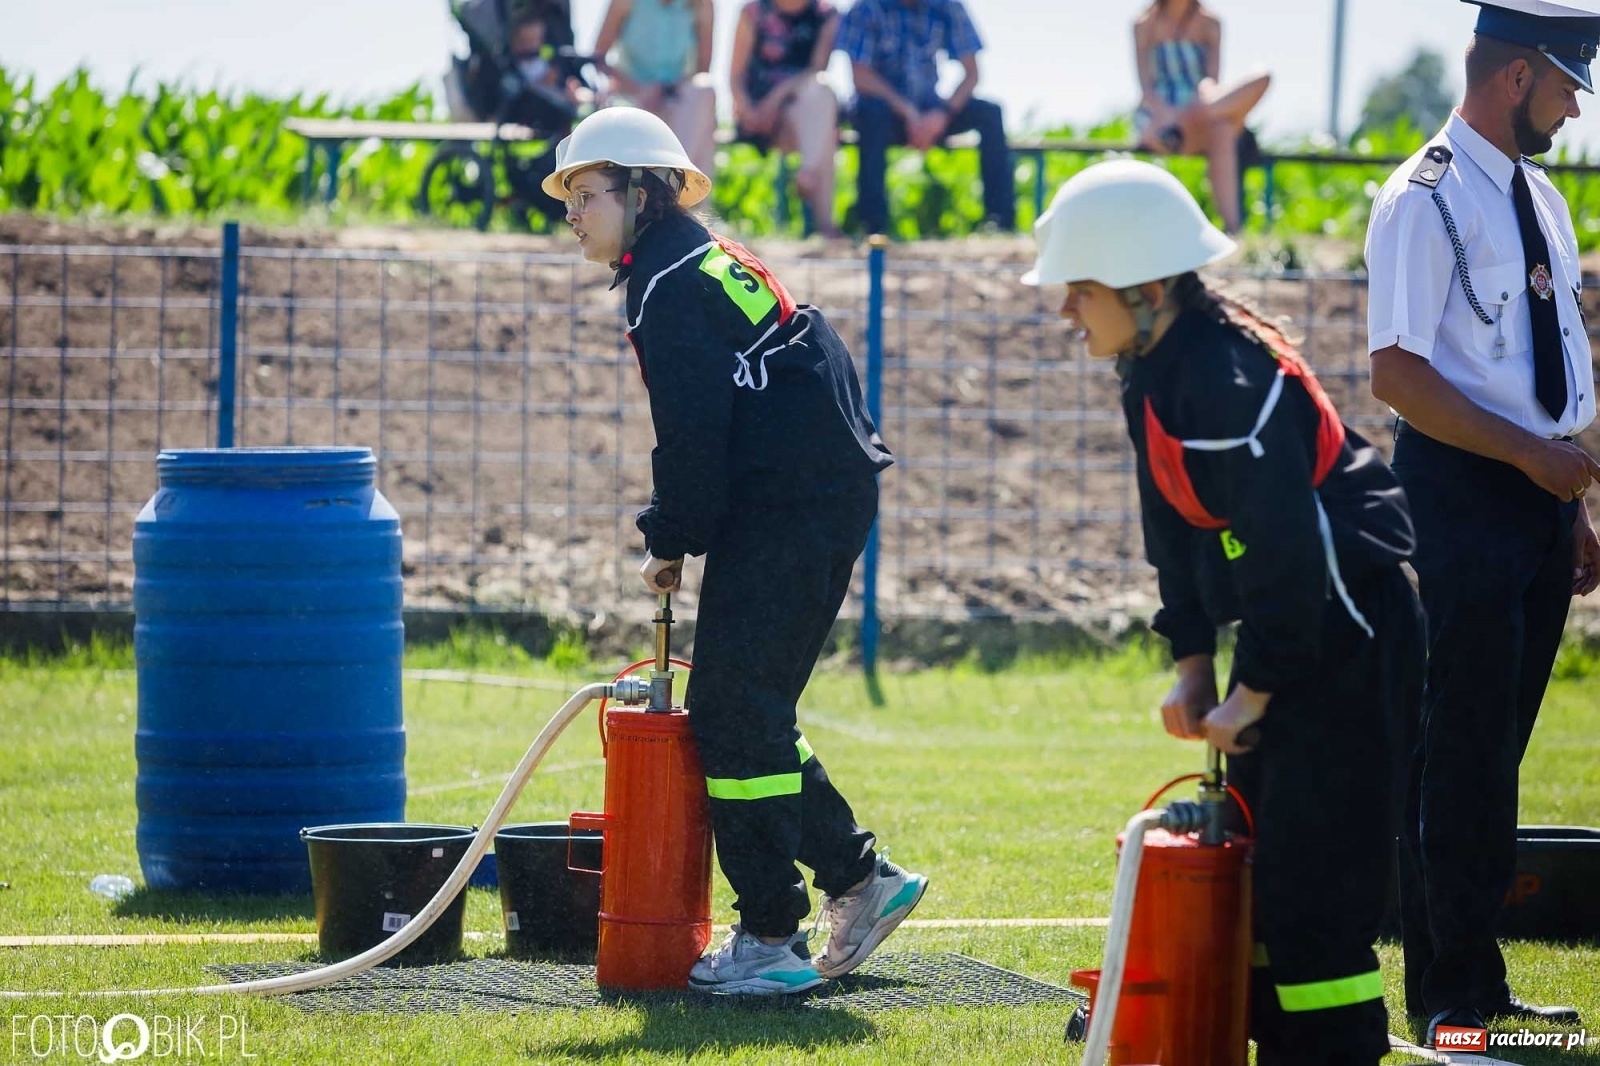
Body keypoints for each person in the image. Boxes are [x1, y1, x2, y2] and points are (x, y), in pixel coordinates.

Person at [1025, 160, 1423, 1066]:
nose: (1064, 313)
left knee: (1315, 892)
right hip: (1298, 630)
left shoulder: (1223, 378)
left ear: (1147, 288)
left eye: (1078, 291)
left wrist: (1257, 688)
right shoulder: (1153, 369)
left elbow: (1286, 550)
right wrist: (1194, 662)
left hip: (1352, 632)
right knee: (1267, 873)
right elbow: (1177, 530)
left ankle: (1335, 1051)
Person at [541, 106, 928, 996]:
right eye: (568, 198)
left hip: (793, 505)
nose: (573, 213)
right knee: (744, 708)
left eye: (587, 194)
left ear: (641, 194)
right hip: (806, 496)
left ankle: (772, 938)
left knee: (733, 712)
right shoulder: (694, 258)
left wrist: (670, 538)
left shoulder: (668, 285)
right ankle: (863, 883)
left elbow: (692, 431)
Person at [1364, 0, 1600, 1047]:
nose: (1572, 108)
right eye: (1565, 87)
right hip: (1459, 499)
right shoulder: (1422, 199)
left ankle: (1479, 985)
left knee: (1493, 756)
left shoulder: (1539, 198)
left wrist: (1570, 503)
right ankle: (1449, 999)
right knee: (1454, 759)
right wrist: (1529, 463)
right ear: (1516, 77)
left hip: (1536, 504)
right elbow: (1397, 375)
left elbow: (1544, 368)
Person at [835, 0, 1014, 234]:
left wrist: (942, 114)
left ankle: (1000, 221)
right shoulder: (865, 8)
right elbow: (860, 76)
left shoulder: (947, 6)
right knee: (872, 114)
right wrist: (907, 111)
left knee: (989, 112)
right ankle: (873, 224)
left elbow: (972, 73)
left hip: (932, 112)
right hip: (884, 111)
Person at [1132, 0, 1270, 234]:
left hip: (1202, 109)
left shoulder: (1211, 23)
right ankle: (1233, 229)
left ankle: (1231, 231)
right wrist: (1170, 115)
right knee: (1223, 128)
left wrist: (1199, 106)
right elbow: (1147, 90)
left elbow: (1210, 82)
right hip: (1160, 118)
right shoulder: (1144, 24)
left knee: (1258, 82)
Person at [729, 0, 844, 238]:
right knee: (823, 127)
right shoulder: (752, 12)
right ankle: (823, 219)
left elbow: (815, 70)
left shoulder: (826, 15)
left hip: (800, 113)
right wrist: (749, 111)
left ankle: (809, 176)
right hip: (757, 117)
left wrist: (776, 97)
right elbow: (735, 77)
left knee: (821, 96)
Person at [591, 0, 718, 178]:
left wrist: (668, 92)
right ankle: (669, 184)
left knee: (704, 90)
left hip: (676, 101)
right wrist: (639, 90)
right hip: (630, 97)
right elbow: (598, 58)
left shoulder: (701, 4)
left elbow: (702, 69)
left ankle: (677, 181)